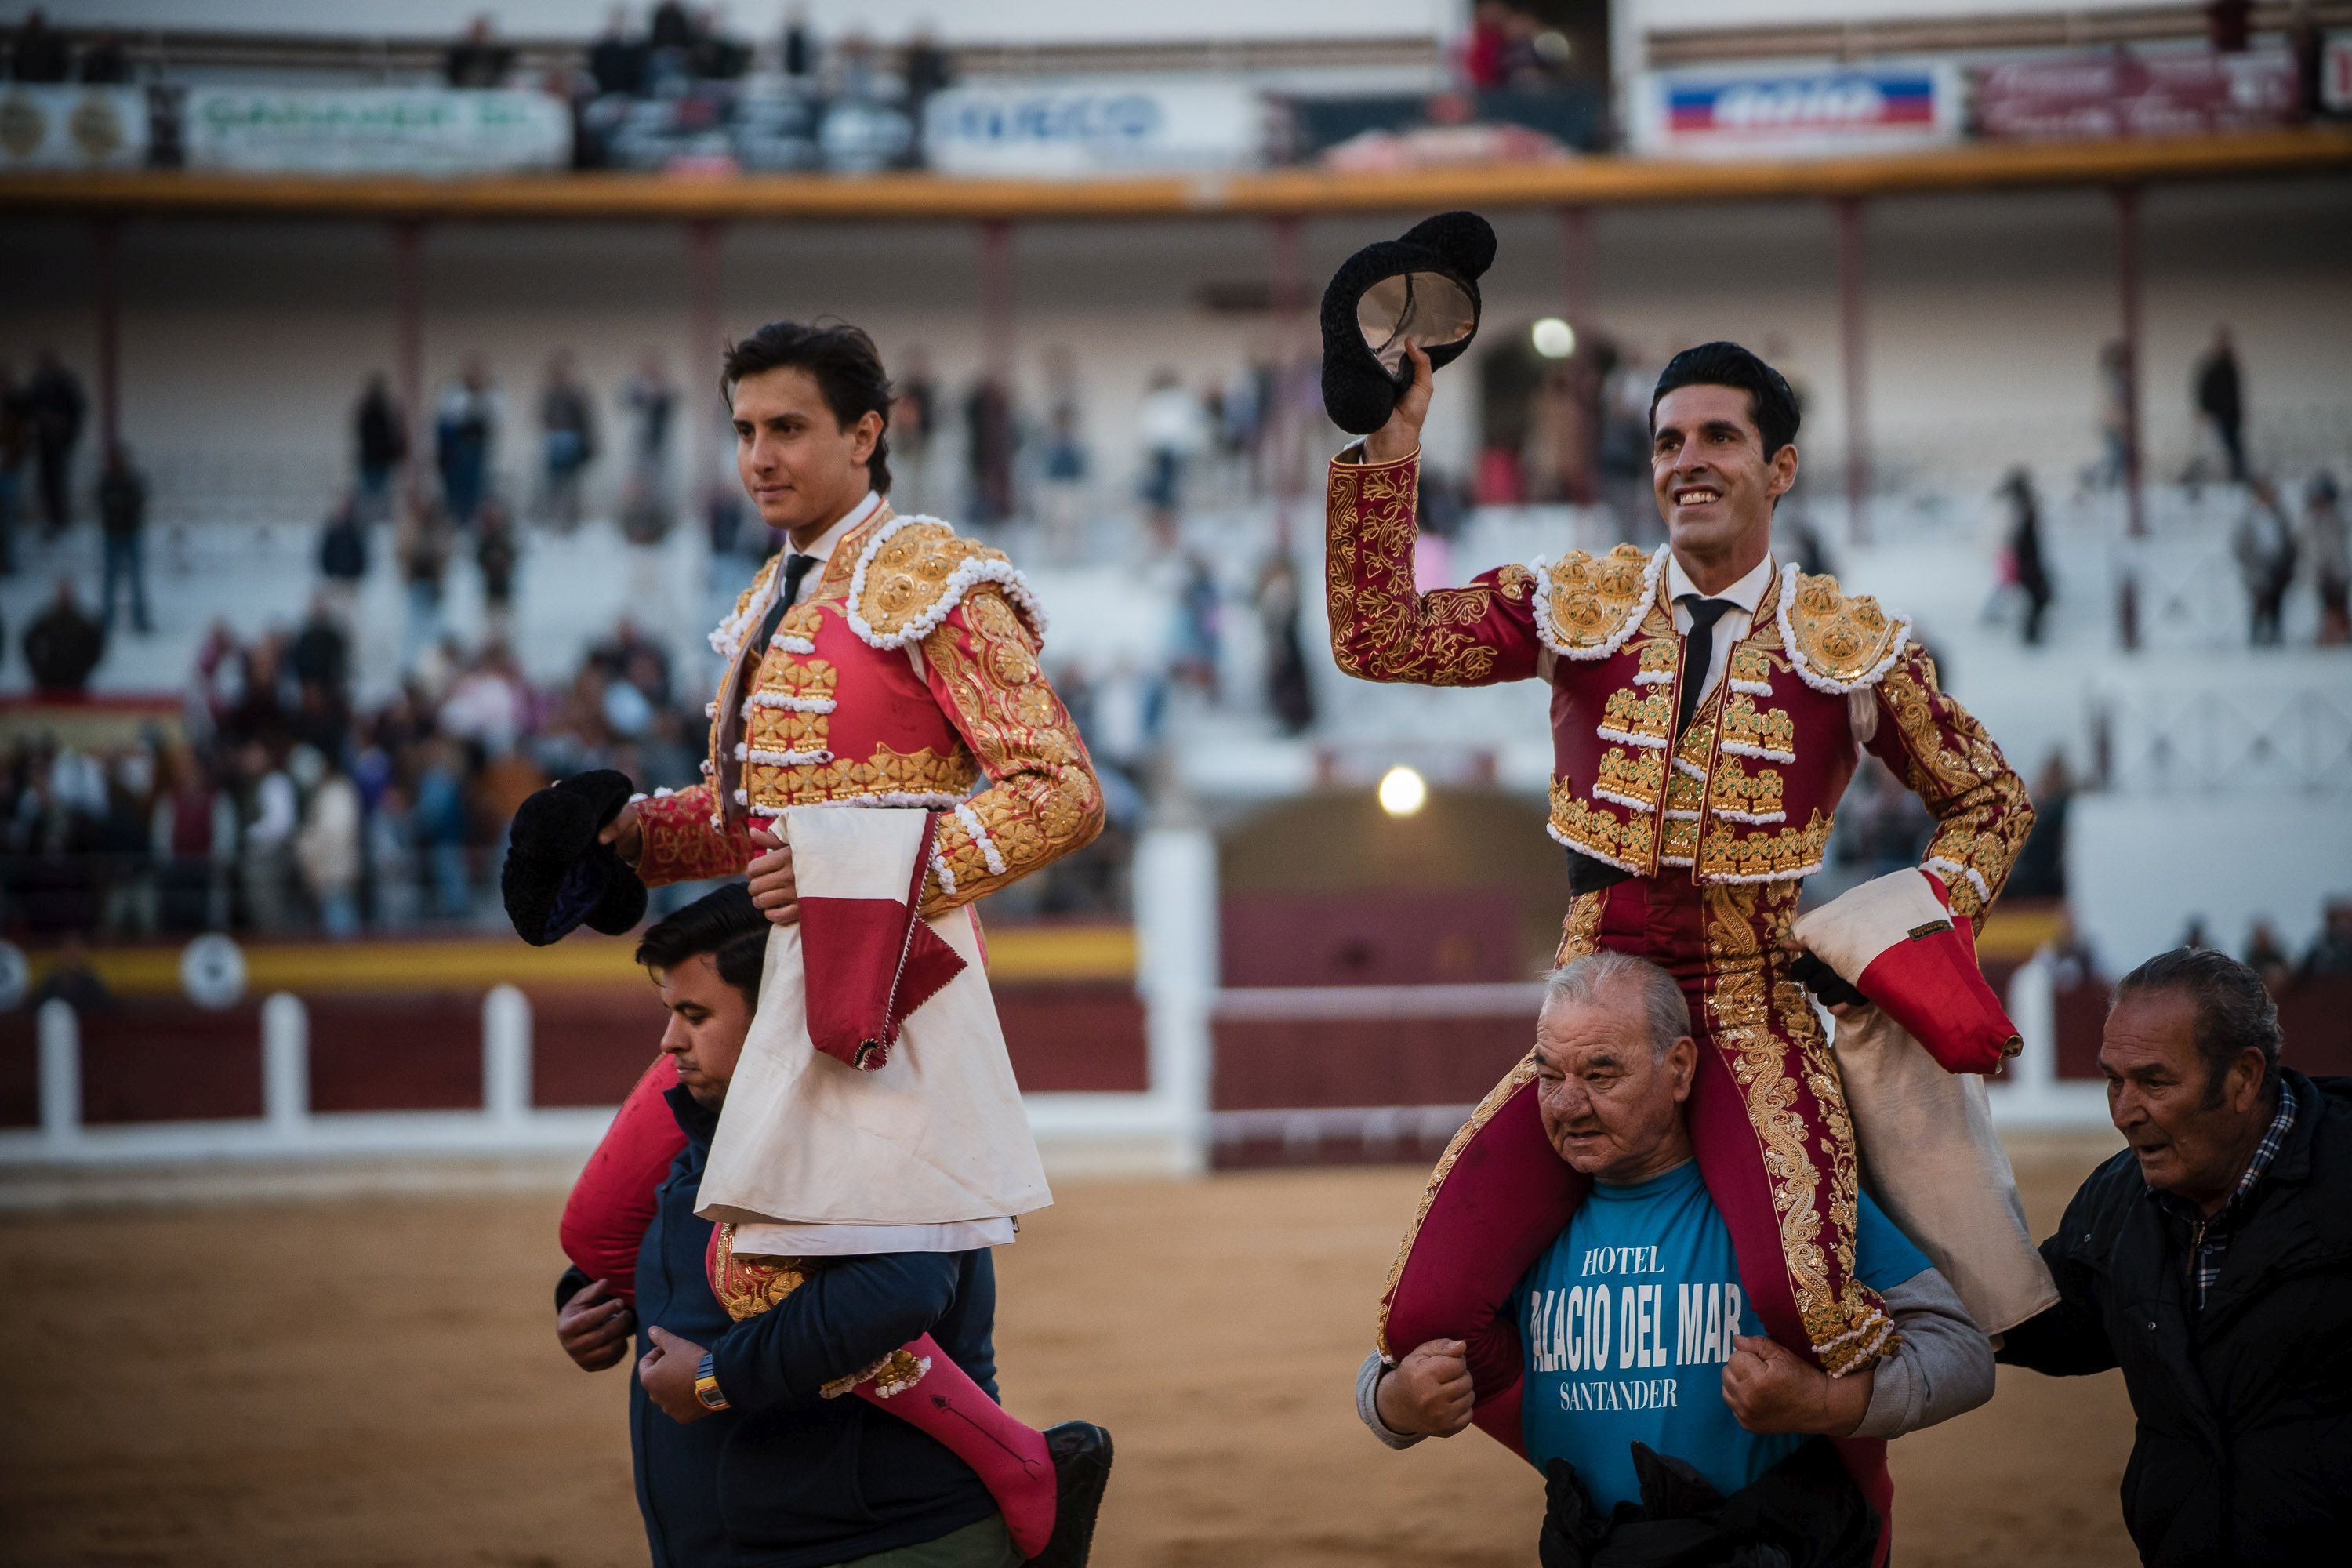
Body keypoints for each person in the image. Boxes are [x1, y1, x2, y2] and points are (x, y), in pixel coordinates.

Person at [1330, 340, 2031, 1524]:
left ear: (1782, 466)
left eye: (1717, 438)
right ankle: (1588, 1469)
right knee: (1421, 1319)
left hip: (1754, 1008)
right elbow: (1377, 637)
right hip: (1597, 1006)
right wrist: (1395, 446)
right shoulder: (1580, 607)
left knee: (1807, 1307)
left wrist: (1903, 934)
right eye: (1667, 441)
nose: (1687, 463)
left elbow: (1991, 800)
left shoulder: (1853, 644)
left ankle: (1814, 1506)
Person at [1363, 954, 1991, 1562]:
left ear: (1681, 1068)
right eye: (1550, 1075)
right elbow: (1395, 1364)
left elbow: (1962, 1354)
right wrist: (1397, 1404)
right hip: (1595, 1550)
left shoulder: (1789, 1202)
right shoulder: (1521, 1223)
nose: (1566, 1105)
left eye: (1602, 1074)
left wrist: (1824, 1403)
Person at [555, 884, 1112, 1568]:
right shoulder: (708, 1134)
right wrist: (601, 1304)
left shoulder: (882, 1125)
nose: (669, 1041)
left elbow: (897, 1291)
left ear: (777, 1016)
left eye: (695, 1015)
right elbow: (698, 1262)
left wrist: (712, 1378)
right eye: (671, 1012)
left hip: (881, 1541)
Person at [1997, 947, 2352, 1565]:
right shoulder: (2118, 1196)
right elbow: (2047, 1321)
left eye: (2155, 1082)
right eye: (2115, 1080)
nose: (2125, 1113)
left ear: (2243, 1078)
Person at [434, 359, 499, 528]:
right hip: (459, 448)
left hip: (478, 447)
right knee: (458, 489)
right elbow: (450, 417)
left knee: (477, 488)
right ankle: (457, 521)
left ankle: (472, 520)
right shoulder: (456, 393)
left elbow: (495, 417)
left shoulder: (490, 393)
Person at [2232, 477, 2297, 645]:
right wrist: (2249, 562)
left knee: (2277, 603)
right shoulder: (2249, 517)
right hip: (2256, 565)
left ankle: (2275, 636)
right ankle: (2256, 638)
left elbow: (2290, 540)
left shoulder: (2280, 516)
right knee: (2258, 602)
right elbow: (2239, 544)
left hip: (2278, 565)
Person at [26, 350, 85, 536]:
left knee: (58, 480)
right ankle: (50, 519)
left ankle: (60, 519)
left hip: (59, 443)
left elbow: (77, 410)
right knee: (45, 482)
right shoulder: (38, 384)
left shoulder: (65, 383)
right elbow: (27, 407)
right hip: (44, 443)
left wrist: (64, 431)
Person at [96, 444, 151, 635]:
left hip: (130, 533)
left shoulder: (132, 481)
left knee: (136, 579)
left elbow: (138, 501)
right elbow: (103, 502)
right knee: (110, 580)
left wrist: (121, 503)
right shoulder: (107, 481)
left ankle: (140, 619)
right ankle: (107, 620)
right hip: (113, 535)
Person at [1996, 466, 2053, 646]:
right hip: (2026, 563)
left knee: (2036, 599)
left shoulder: (2019, 508)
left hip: (2027, 562)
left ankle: (2031, 636)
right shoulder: (2018, 510)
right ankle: (2030, 637)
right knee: (2038, 598)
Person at [23, 579, 104, 693]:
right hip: (48, 681)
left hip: (76, 682)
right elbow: (28, 641)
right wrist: (38, 670)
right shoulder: (48, 620)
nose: (64, 597)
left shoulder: (82, 622)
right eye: (62, 593)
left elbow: (96, 645)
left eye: (66, 593)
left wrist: (84, 668)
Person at [2193, 328, 2245, 485]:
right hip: (2217, 413)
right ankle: (2225, 476)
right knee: (2218, 446)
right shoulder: (2212, 365)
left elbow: (2235, 391)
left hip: (2230, 414)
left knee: (2233, 446)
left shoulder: (2230, 365)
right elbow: (2205, 389)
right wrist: (2204, 410)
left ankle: (2237, 475)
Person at [353, 373, 406, 521]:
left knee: (379, 504)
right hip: (374, 464)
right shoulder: (372, 414)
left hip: (378, 464)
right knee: (373, 503)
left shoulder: (380, 413)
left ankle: (377, 521)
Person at [2304, 470, 2347, 644]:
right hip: (2320, 571)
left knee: (2340, 605)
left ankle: (2341, 634)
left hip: (2338, 570)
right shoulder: (2309, 521)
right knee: (2326, 606)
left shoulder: (2337, 518)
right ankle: (2328, 636)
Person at [588, 5, 647, 96]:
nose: (617, 24)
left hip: (630, 97)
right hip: (605, 95)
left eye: (620, 20)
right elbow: (595, 71)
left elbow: (638, 75)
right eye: (614, 20)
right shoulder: (601, 49)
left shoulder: (635, 48)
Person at [444, 13, 514, 89]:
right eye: (477, 32)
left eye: (482, 32)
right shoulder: (458, 55)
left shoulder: (500, 55)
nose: (479, 36)